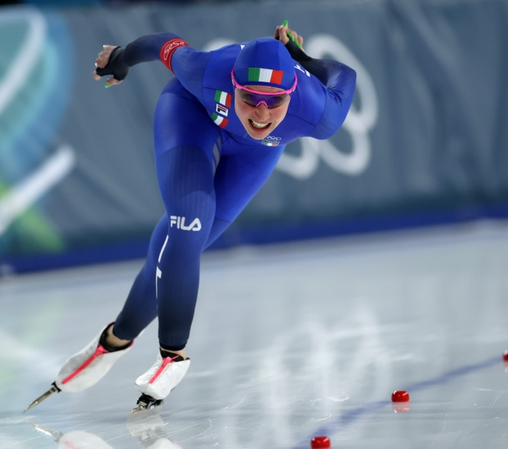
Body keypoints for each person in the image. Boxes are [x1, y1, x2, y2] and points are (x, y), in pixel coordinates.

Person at [26, 22, 356, 413]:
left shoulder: (319, 112)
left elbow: (344, 75)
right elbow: (164, 44)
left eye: (274, 101)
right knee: (190, 218)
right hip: (191, 115)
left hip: (257, 152)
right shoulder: (207, 70)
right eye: (249, 98)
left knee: (179, 246)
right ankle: (173, 355)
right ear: (233, 85)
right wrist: (120, 59)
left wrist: (303, 58)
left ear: (292, 92)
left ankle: (114, 339)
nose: (261, 113)